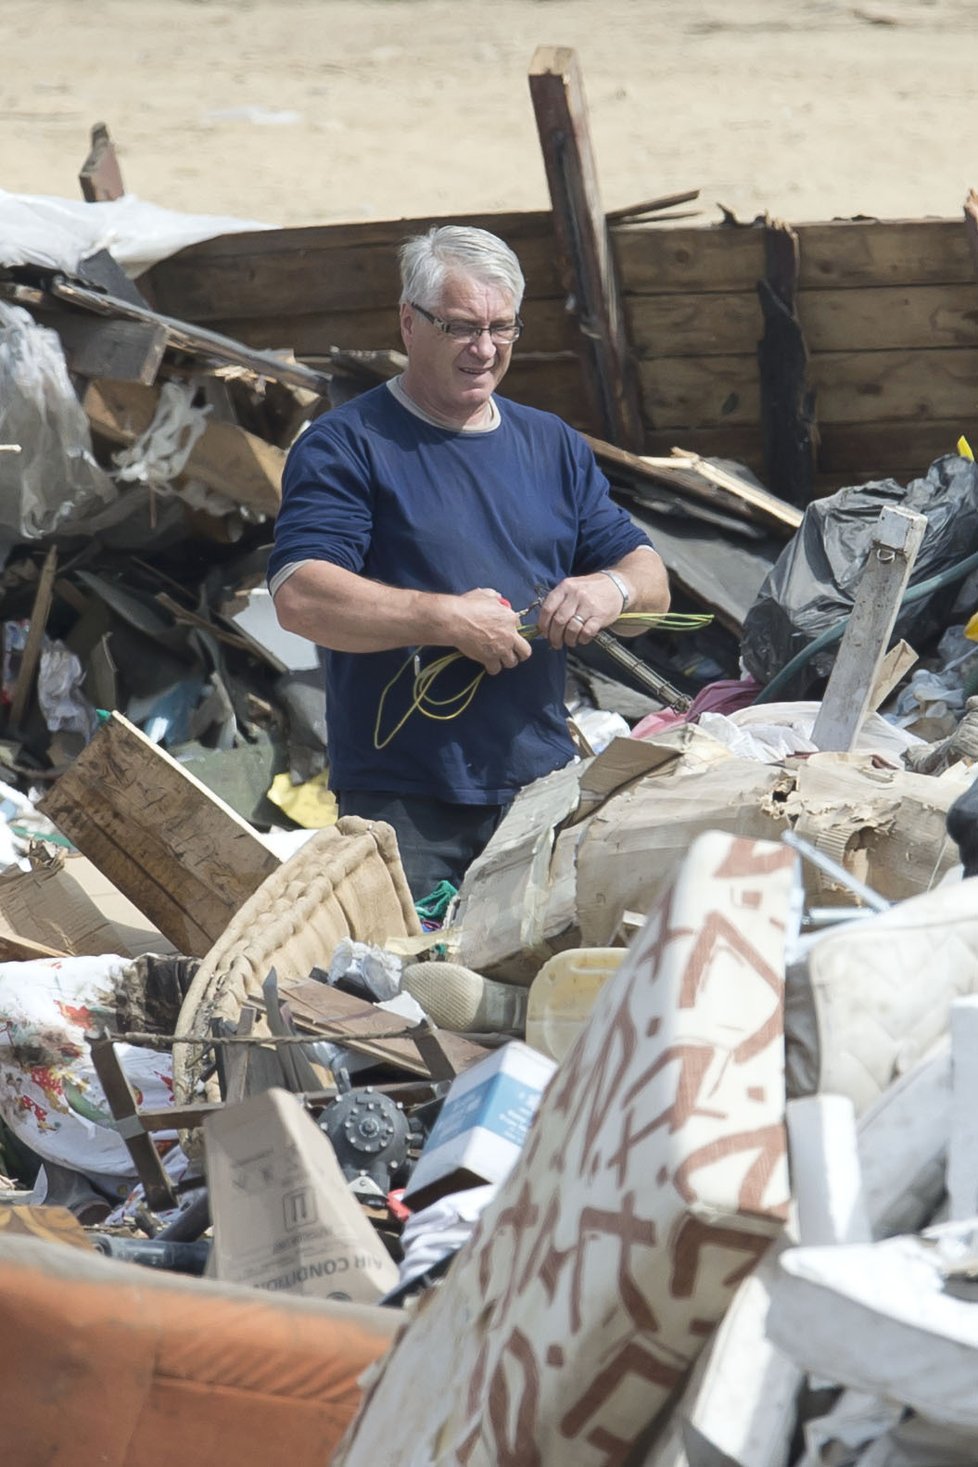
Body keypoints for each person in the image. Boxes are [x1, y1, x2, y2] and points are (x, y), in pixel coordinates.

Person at [268, 224, 670, 898]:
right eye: (461, 327)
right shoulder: (349, 444)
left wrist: (610, 591)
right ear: (409, 322)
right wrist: (445, 618)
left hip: (540, 792)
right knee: (402, 992)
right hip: (404, 804)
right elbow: (300, 594)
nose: (485, 349)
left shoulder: (552, 444)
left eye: (502, 328)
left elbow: (649, 578)